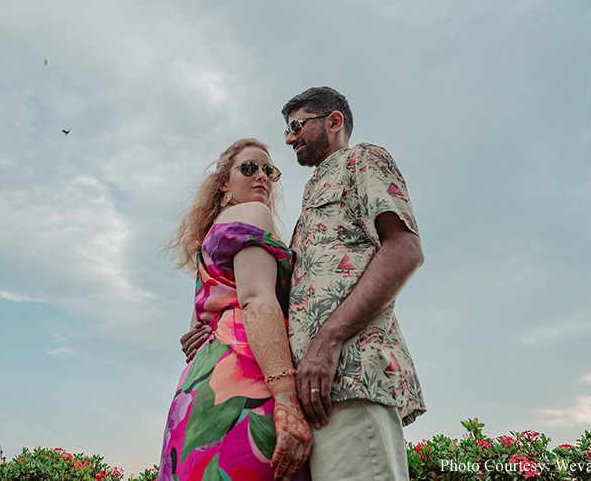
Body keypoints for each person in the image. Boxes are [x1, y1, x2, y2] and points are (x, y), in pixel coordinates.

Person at [281, 86, 426, 481]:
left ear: (334, 121)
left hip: (351, 378)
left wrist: (327, 342)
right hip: (314, 395)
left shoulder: (363, 158)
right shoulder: (311, 192)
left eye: (296, 125)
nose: (290, 137)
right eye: (286, 131)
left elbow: (404, 249)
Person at [160, 138, 312, 481]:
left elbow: (196, 329)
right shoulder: (255, 214)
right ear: (223, 182)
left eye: (269, 170)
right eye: (249, 168)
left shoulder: (209, 241)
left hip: (202, 384)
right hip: (249, 377)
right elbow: (256, 299)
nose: (262, 176)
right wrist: (286, 398)